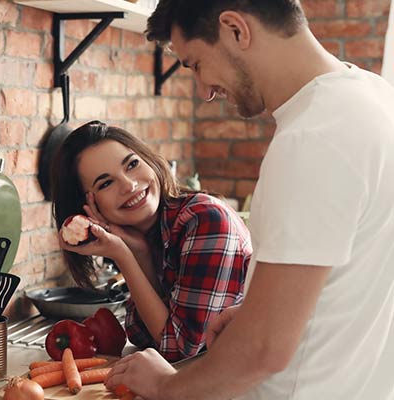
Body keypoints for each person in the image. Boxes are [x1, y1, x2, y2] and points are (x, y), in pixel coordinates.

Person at [104, 1, 394, 399]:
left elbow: (264, 351)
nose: (204, 91)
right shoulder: (375, 98)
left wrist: (165, 384)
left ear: (236, 30)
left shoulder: (314, 137)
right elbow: (362, 270)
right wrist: (259, 313)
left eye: (196, 65)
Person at [51, 120, 252, 362]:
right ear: (88, 207)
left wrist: (123, 255)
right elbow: (142, 334)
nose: (129, 184)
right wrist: (141, 254)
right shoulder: (150, 236)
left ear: (149, 159)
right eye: (106, 183)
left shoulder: (206, 220)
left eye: (132, 164)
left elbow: (178, 349)